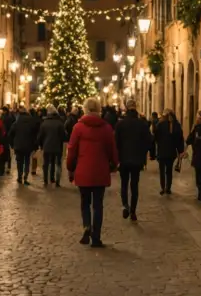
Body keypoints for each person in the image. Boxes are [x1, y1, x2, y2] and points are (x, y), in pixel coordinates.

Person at [66, 96, 119, 247]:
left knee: (84, 203)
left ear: (85, 109)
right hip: (100, 171)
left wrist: (70, 167)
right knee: (98, 205)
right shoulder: (106, 128)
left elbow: (71, 149)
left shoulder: (78, 127)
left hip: (83, 170)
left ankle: (87, 226)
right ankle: (96, 237)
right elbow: (112, 149)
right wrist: (114, 164)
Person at [115, 98, 152, 221]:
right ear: (135, 107)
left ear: (126, 108)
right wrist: (144, 155)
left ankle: (125, 205)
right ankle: (133, 211)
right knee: (134, 185)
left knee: (124, 184)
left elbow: (116, 142)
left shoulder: (120, 123)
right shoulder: (142, 123)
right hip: (137, 160)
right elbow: (148, 141)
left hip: (124, 159)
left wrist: (116, 158)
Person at [153, 109, 184, 195]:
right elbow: (179, 139)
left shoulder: (160, 124)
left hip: (161, 151)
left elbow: (155, 137)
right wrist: (180, 151)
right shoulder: (176, 125)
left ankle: (163, 187)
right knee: (169, 171)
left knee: (162, 170)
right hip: (171, 152)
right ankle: (168, 188)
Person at [8, 107, 39, 185]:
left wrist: (12, 144)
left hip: (18, 146)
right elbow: (35, 135)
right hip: (28, 146)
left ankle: (19, 177)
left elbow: (10, 134)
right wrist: (35, 145)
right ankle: (25, 177)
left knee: (19, 162)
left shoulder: (16, 122)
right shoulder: (31, 122)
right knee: (27, 161)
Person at [38, 104, 66, 187]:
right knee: (57, 163)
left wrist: (40, 145)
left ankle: (45, 180)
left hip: (47, 146)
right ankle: (56, 181)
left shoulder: (44, 123)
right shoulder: (60, 123)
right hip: (58, 147)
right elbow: (64, 136)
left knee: (46, 164)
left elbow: (40, 136)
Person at [0, 106, 15, 175]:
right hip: (7, 137)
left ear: (5, 111)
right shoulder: (9, 117)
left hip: (5, 137)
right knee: (7, 152)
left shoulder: (5, 117)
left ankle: (5, 167)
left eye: (3, 110)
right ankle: (7, 166)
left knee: (5, 152)